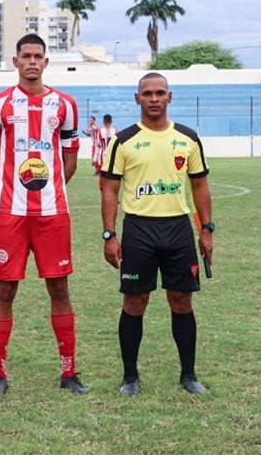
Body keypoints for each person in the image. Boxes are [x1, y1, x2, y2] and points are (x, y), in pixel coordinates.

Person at [0, 33, 88, 396]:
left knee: (59, 286)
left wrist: (47, 191)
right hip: (10, 212)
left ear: (45, 62)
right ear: (15, 61)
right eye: (24, 55)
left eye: (37, 56)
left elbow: (69, 162)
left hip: (53, 212)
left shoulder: (66, 105)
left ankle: (69, 372)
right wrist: (15, 192)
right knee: (6, 288)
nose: (31, 61)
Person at [101, 72, 214, 396]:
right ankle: (130, 378)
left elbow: (200, 185)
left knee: (182, 301)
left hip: (178, 228)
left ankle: (189, 375)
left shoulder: (188, 138)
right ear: (137, 99)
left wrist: (206, 229)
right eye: (147, 93)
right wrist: (109, 234)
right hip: (139, 228)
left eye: (159, 93)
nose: (153, 98)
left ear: (169, 97)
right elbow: (109, 189)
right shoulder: (122, 140)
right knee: (135, 302)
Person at [94, 114, 119, 187]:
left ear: (103, 121)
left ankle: (103, 196)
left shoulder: (100, 132)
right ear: (111, 121)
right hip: (113, 157)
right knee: (113, 176)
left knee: (102, 176)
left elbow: (98, 145)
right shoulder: (116, 132)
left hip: (103, 157)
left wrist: (95, 159)